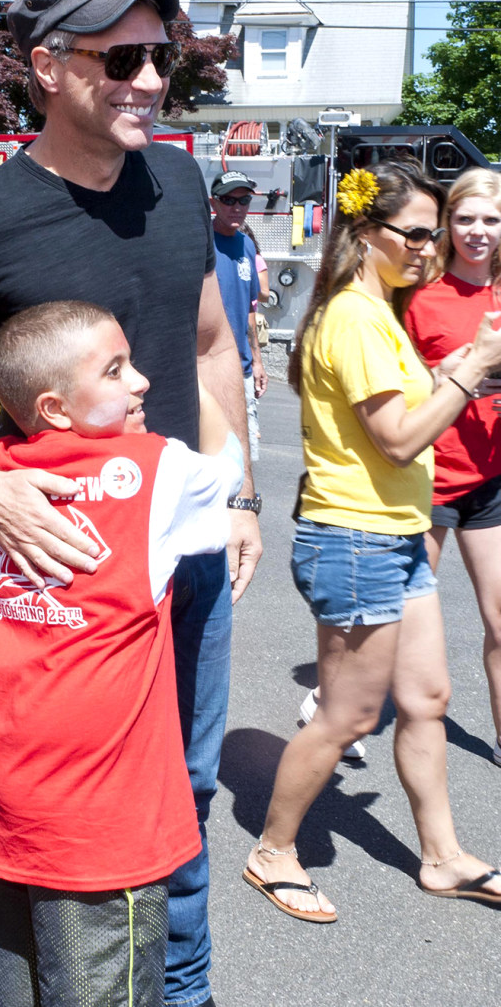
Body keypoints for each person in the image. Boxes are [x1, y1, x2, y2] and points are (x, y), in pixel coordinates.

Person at [0, 0, 262, 1007]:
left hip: (182, 547)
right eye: (124, 57)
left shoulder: (179, 179)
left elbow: (205, 350)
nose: (151, 79)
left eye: (163, 57)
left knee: (185, 788)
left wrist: (237, 493)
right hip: (67, 570)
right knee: (55, 800)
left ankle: (179, 990)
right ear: (48, 65)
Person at [0, 300, 243, 1007]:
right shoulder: (155, 472)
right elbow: (230, 462)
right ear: (54, 408)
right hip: (106, 827)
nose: (143, 381)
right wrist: (201, 365)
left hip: (15, 806)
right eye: (117, 370)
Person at [243, 160, 501, 923]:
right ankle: (273, 851)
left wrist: (459, 372)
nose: (430, 248)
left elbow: (405, 407)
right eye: (416, 233)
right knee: (348, 716)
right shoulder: (355, 318)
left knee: (426, 697)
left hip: (391, 535)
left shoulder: (376, 308)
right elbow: (394, 440)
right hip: (354, 539)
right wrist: (473, 369)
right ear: (365, 232)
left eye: (433, 233)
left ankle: (443, 856)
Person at [405, 167, 501, 768]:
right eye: (464, 218)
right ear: (447, 224)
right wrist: (447, 379)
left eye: (490, 219)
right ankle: (338, 709)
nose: (477, 231)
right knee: (395, 619)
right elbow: (393, 392)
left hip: (490, 479)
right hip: (429, 479)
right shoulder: (421, 296)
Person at [210, 171, 268, 463]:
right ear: (213, 203)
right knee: (212, 454)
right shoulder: (202, 242)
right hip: (209, 368)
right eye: (228, 199)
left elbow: (249, 308)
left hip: (243, 368)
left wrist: (257, 360)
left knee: (244, 456)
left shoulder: (246, 244)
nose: (237, 207)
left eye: (243, 199)